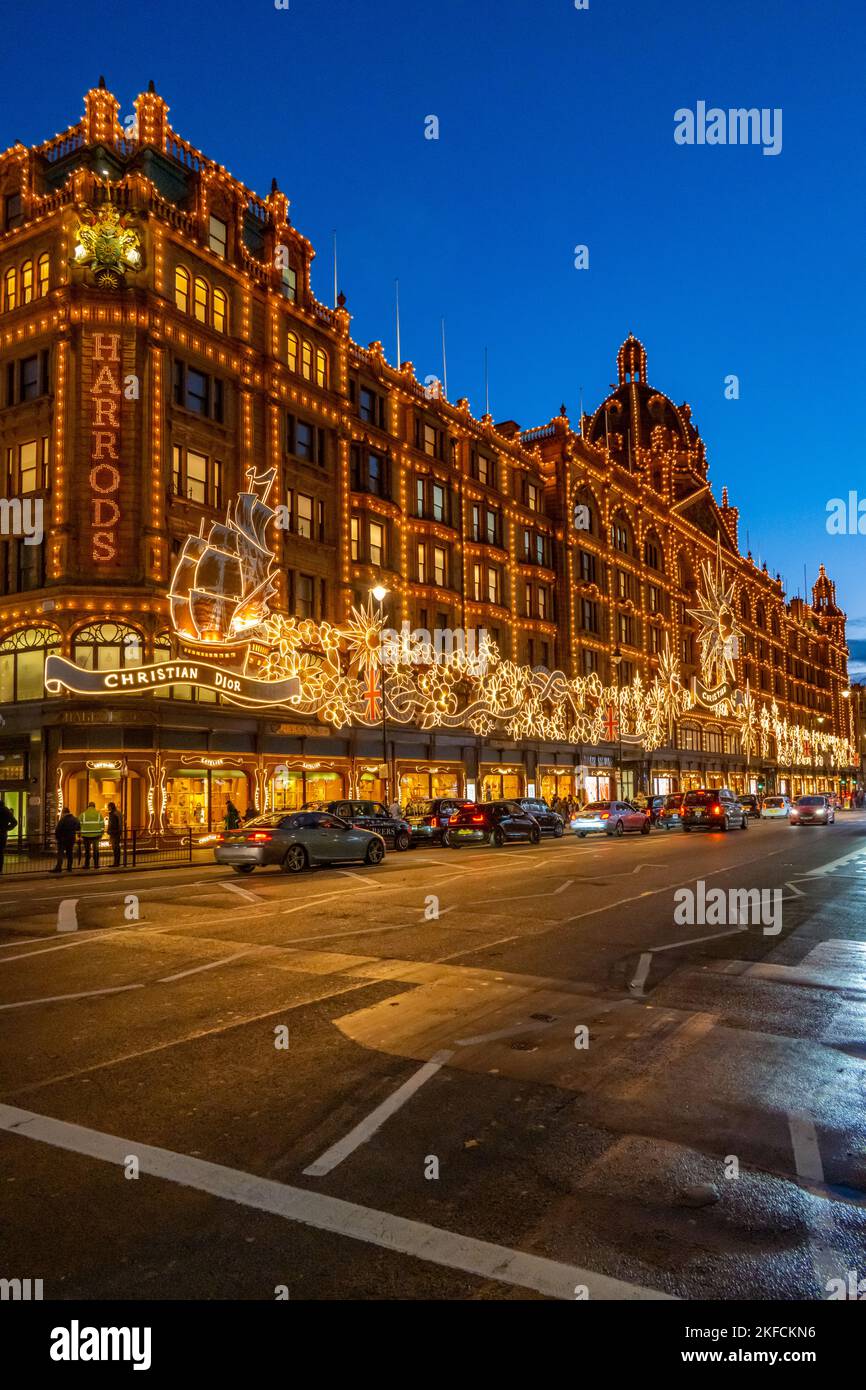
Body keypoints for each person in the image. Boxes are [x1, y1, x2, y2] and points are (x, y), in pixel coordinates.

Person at [51, 808, 80, 874]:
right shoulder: (75, 819)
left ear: (64, 813)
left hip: (62, 839)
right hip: (71, 839)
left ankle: (59, 868)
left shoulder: (62, 820)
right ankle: (69, 867)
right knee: (69, 853)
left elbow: (58, 830)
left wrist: (58, 838)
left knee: (60, 854)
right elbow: (78, 828)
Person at [79, 800, 104, 869]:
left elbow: (79, 825)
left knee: (87, 851)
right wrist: (101, 833)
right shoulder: (99, 814)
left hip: (86, 835)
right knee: (96, 851)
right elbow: (102, 825)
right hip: (96, 835)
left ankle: (87, 865)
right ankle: (96, 865)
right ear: (94, 807)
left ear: (88, 806)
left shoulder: (83, 814)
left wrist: (80, 834)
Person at [0, 797, 17, 875]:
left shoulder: (5, 810)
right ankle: (0, 869)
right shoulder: (6, 810)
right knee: (0, 853)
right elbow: (14, 822)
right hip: (2, 834)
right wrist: (6, 828)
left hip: (2, 834)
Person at [106, 801, 123, 868]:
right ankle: (117, 862)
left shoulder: (113, 814)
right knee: (116, 848)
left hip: (114, 833)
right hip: (117, 832)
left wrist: (109, 831)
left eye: (108, 806)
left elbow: (112, 824)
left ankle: (116, 863)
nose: (107, 808)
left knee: (115, 848)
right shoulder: (118, 813)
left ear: (110, 807)